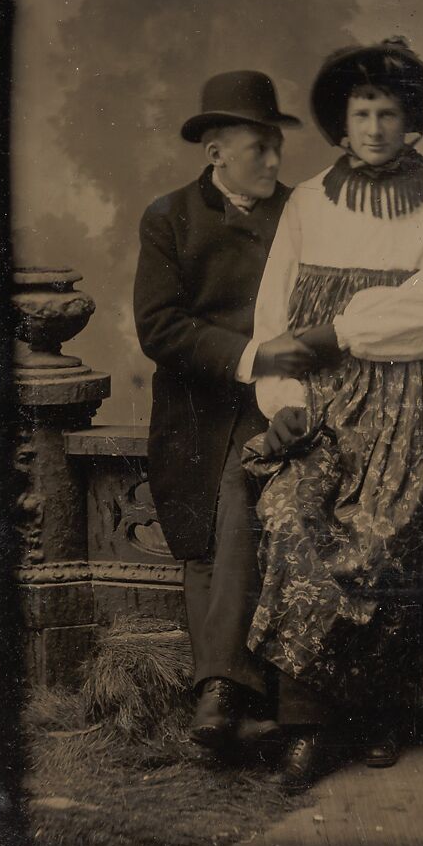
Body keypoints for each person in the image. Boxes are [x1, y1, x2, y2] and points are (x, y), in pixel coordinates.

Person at [242, 41, 423, 790]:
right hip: (323, 395)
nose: (375, 127)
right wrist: (285, 403)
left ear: (411, 121)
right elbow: (274, 315)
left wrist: (342, 331)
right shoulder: (307, 201)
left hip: (418, 397)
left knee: (390, 535)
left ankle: (380, 713)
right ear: (341, 121)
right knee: (291, 514)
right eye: (362, 112)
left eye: (389, 113)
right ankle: (306, 726)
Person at [133, 70, 315, 756]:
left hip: (286, 402)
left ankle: (218, 691)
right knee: (211, 535)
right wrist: (249, 357)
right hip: (195, 409)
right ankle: (235, 695)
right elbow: (159, 328)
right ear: (214, 150)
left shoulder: (300, 214)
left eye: (276, 147)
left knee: (244, 498)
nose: (273, 161)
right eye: (257, 149)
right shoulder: (168, 217)